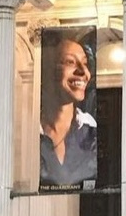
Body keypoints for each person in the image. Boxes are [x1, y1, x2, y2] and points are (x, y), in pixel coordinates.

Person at [39, 33, 98, 189]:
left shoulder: (91, 128)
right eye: (70, 62)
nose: (83, 72)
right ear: (49, 70)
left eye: (85, 63)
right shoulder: (31, 131)